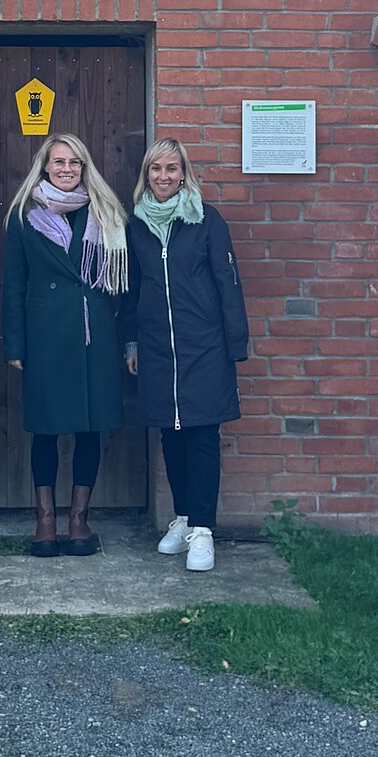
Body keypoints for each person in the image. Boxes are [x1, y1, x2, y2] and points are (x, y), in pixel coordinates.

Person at [121, 138, 249, 573]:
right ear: (146, 174)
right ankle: (182, 517)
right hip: (157, 347)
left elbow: (228, 285)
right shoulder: (136, 225)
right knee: (170, 434)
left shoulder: (207, 222)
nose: (163, 177)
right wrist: (131, 342)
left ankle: (203, 530)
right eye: (155, 169)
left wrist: (235, 345)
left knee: (201, 435)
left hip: (205, 346)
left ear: (184, 174)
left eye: (171, 169)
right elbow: (132, 288)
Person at [2, 132, 130, 557]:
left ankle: (78, 520)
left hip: (95, 335)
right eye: (58, 162)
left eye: (75, 163)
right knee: (45, 429)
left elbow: (123, 287)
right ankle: (44, 521)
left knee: (89, 428)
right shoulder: (24, 215)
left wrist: (128, 337)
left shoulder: (106, 212)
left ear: (84, 167)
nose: (67, 169)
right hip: (46, 335)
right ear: (44, 167)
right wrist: (15, 344)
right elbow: (13, 284)